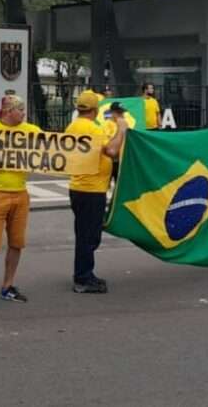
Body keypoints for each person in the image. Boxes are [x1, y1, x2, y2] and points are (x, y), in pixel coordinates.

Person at [0, 94, 40, 310]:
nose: (23, 113)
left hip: (21, 193)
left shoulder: (32, 131)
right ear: (8, 111)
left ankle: (8, 285)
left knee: (17, 243)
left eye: (23, 109)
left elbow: (55, 148)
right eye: (20, 109)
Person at [64, 91, 126, 293]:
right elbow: (112, 151)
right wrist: (121, 129)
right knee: (88, 236)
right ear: (95, 109)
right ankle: (82, 278)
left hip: (80, 187)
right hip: (91, 190)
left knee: (86, 234)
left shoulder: (73, 126)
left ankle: (84, 273)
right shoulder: (92, 128)